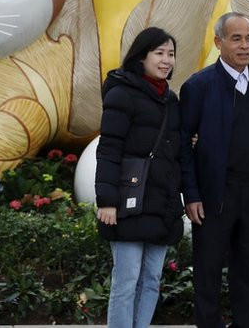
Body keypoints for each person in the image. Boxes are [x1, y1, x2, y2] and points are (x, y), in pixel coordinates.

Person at [180, 12, 249, 328]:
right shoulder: (199, 85)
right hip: (213, 194)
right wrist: (191, 193)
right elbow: (182, 145)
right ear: (218, 42)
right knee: (208, 273)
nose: (245, 45)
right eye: (236, 38)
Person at [95, 27, 183, 328]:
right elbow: (108, 148)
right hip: (127, 201)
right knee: (127, 279)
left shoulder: (170, 100)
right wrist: (107, 200)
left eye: (170, 54)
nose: (166, 60)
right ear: (141, 56)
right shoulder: (122, 93)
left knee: (152, 279)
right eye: (159, 53)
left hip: (160, 203)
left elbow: (175, 152)